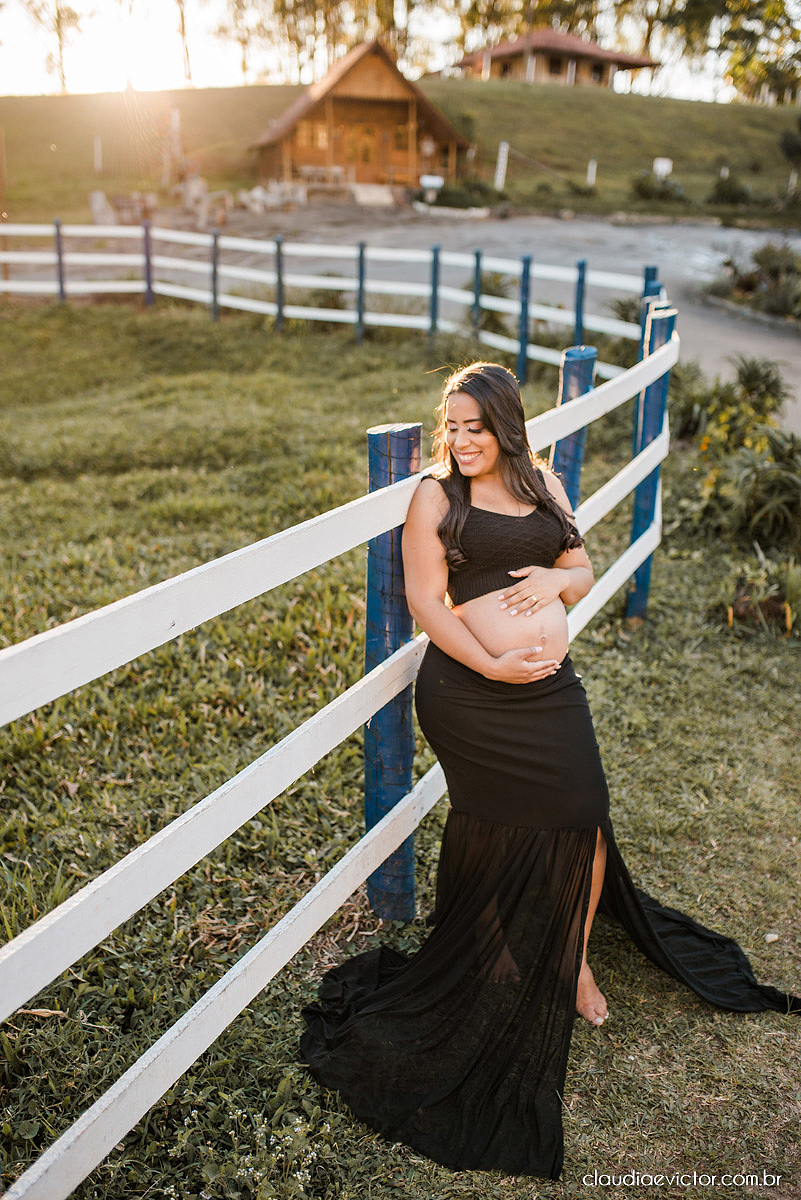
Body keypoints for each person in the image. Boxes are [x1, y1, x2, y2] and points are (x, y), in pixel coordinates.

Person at [301, 361, 799, 1180]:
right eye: (450, 425)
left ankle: (568, 957)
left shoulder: (542, 483)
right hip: (467, 692)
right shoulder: (435, 497)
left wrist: (553, 578)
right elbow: (428, 603)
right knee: (491, 825)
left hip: (550, 694)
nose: (460, 440)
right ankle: (496, 950)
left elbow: (580, 567)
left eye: (474, 426)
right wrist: (492, 668)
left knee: (582, 811)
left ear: (505, 425)